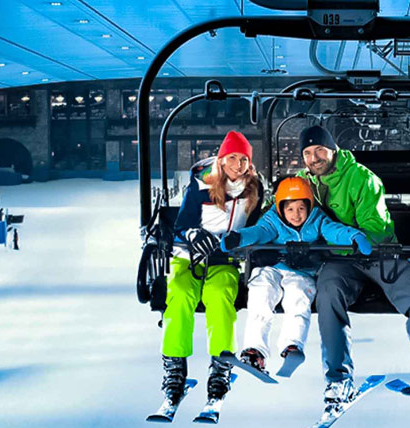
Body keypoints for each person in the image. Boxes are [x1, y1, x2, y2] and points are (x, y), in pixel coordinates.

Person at [296, 125, 410, 412]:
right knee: (327, 295)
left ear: (332, 150)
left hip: (379, 254)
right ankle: (338, 378)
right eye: (308, 153)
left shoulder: (362, 178)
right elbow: (279, 213)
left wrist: (333, 232)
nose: (314, 158)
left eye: (320, 151)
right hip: (339, 261)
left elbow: (374, 229)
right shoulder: (301, 183)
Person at [219, 176, 371, 373]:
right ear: (281, 208)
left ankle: (292, 345)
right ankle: (255, 351)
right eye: (290, 209)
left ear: (309, 206)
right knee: (261, 296)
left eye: (301, 208)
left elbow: (333, 230)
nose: (296, 215)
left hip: (301, 272)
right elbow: (259, 232)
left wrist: (353, 236)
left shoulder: (317, 219)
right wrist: (239, 238)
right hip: (271, 267)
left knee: (298, 298)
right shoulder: (272, 220)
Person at [157, 130, 264, 410]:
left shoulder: (254, 187)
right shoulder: (202, 184)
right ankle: (174, 367)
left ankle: (220, 365)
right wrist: (193, 235)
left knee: (220, 297)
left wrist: (241, 240)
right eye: (232, 158)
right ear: (221, 159)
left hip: (224, 259)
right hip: (189, 257)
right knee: (179, 295)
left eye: (243, 160)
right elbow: (181, 225)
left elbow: (258, 225)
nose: (238, 166)